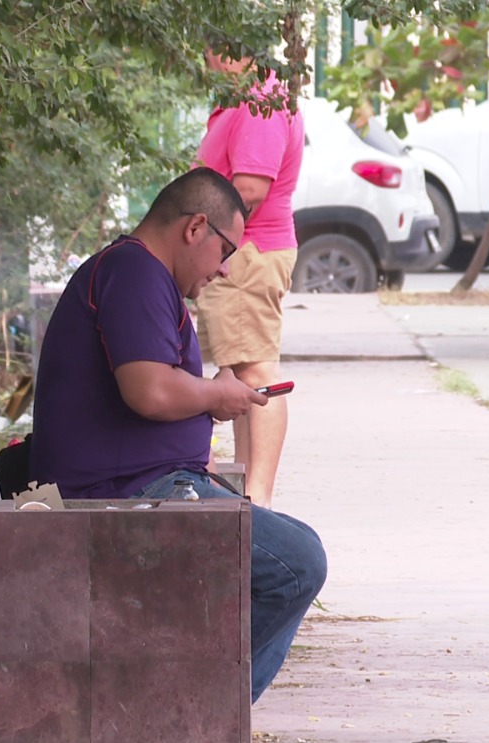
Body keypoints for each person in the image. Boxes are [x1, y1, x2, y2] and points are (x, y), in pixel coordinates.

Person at [29, 167, 328, 704]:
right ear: (195, 228)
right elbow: (149, 391)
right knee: (298, 562)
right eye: (225, 249)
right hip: (122, 494)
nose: (226, 269)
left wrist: (213, 401)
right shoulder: (135, 271)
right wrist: (217, 396)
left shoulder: (142, 276)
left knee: (293, 547)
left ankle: (193, 718)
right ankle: (192, 717)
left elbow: (159, 390)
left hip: (146, 485)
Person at [194, 48, 306, 510]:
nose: (208, 61)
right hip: (242, 250)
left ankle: (258, 502)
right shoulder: (243, 98)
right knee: (242, 373)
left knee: (257, 371)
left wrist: (217, 246)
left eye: (211, 50)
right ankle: (249, 497)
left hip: (248, 251)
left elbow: (250, 189)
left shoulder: (262, 100)